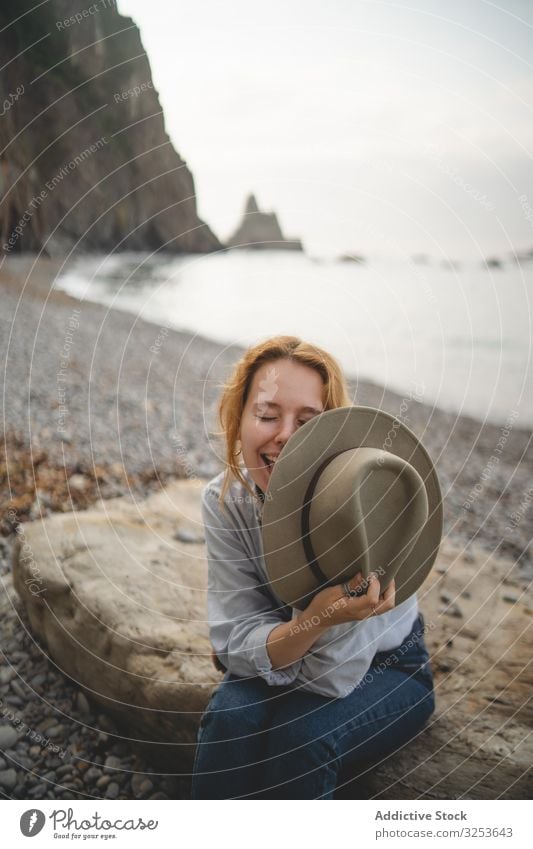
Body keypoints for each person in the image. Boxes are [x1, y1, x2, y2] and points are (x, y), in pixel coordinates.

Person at [191, 335, 435, 800]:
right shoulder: (227, 501)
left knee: (297, 739)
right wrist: (306, 624)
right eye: (266, 415)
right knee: (231, 720)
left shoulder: (363, 504)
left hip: (387, 669)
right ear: (238, 418)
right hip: (292, 648)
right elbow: (229, 641)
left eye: (308, 422)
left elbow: (328, 678)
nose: (285, 435)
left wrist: (285, 638)